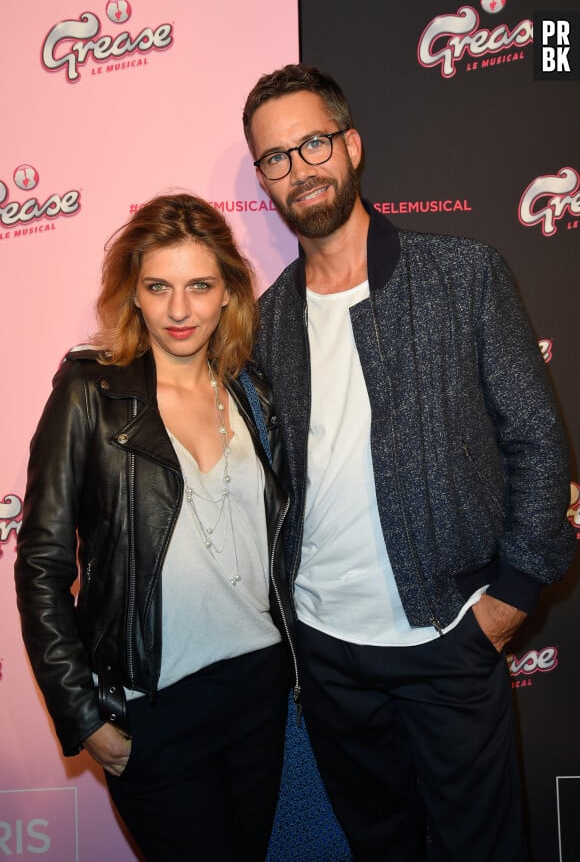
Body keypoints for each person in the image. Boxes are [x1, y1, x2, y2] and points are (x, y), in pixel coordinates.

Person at [242, 64, 576, 862]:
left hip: (449, 638)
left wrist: (509, 600)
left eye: (312, 142)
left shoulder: (462, 275)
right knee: (380, 847)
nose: (299, 168)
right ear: (263, 180)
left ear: (351, 144)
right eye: (276, 158)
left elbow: (536, 441)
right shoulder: (266, 320)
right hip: (326, 656)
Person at [15, 193, 297, 862]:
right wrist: (85, 717)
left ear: (228, 291)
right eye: (158, 286)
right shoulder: (89, 391)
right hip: (152, 704)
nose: (179, 310)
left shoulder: (252, 390)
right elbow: (42, 563)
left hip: (258, 689)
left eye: (200, 286)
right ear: (132, 294)